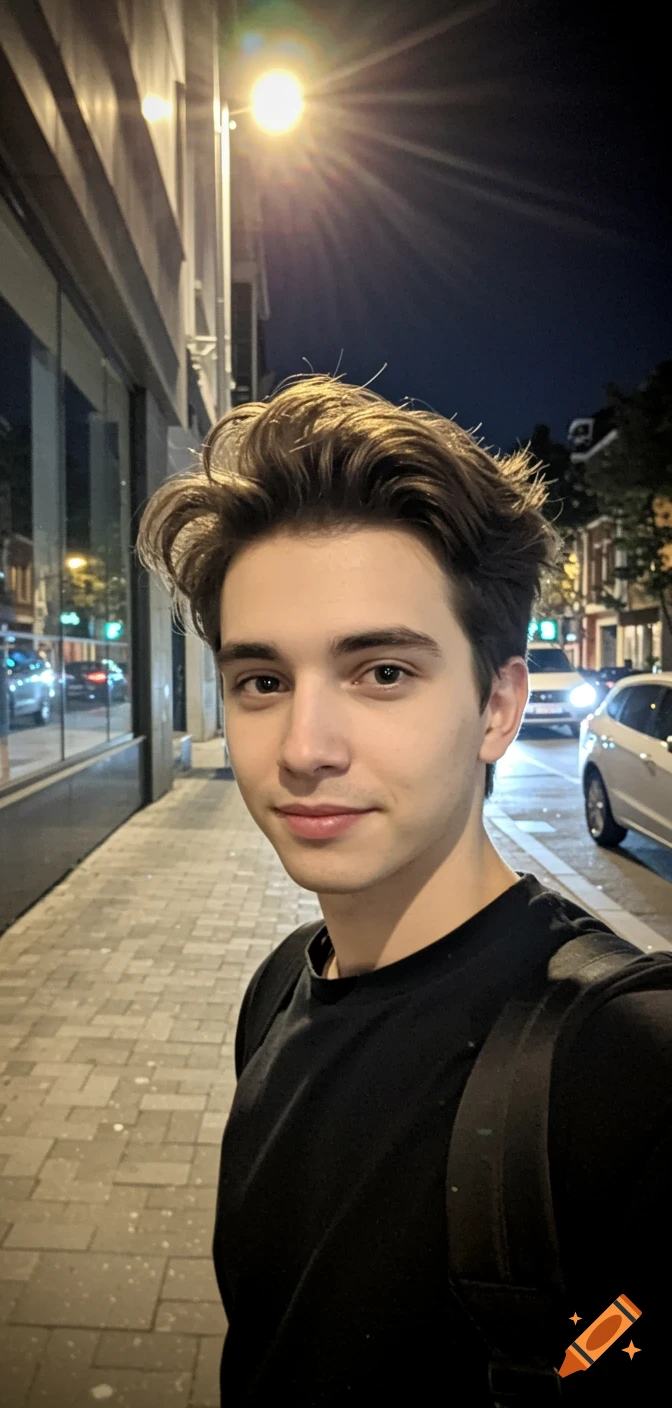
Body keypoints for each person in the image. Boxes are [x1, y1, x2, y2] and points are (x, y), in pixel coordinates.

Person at [137, 376, 672, 1406]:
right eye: (262, 681)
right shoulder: (276, 992)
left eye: (382, 672)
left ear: (497, 707)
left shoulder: (627, 1067)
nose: (305, 748)